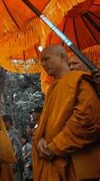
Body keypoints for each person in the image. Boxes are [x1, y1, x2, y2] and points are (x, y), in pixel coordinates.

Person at [33, 44, 100, 180]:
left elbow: (86, 121)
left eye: (46, 59)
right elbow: (47, 122)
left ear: (62, 57)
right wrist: (41, 138)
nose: (44, 64)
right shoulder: (53, 88)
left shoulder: (79, 81)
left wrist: (54, 147)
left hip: (78, 163)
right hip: (53, 159)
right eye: (41, 62)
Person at [2, 115, 23, 181]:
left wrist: (14, 163)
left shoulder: (14, 132)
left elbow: (18, 149)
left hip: (13, 164)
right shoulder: (5, 133)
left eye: (2, 123)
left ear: (8, 122)